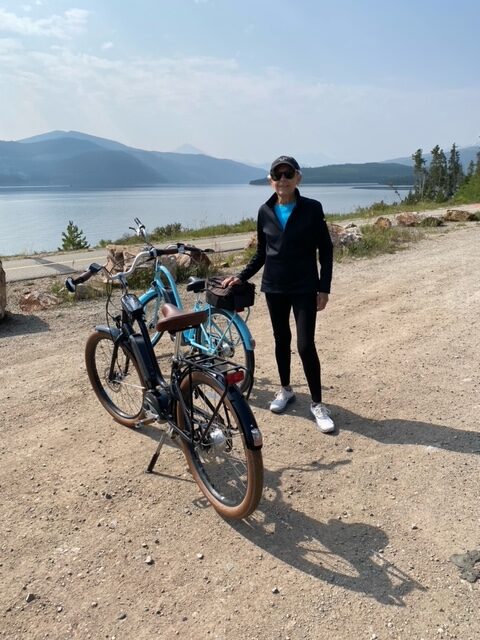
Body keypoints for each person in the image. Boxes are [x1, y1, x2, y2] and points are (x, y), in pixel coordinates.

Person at [222, 155, 335, 433]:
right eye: (278, 174)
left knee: (305, 344)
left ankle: (318, 403)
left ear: (298, 178)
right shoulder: (265, 210)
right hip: (274, 287)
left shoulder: (311, 208)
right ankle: (285, 390)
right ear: (271, 180)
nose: (283, 179)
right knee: (281, 339)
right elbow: (262, 252)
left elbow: (326, 251)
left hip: (305, 286)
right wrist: (241, 276)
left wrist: (324, 287)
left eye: (288, 174)